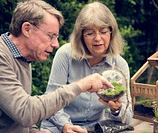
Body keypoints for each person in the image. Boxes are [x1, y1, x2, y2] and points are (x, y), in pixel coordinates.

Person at [0, 0, 114, 133]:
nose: (56, 44)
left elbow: (15, 114)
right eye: (51, 36)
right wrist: (81, 85)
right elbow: (25, 112)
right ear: (27, 29)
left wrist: (34, 131)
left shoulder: (23, 59)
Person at [40, 1, 133, 133]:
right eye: (90, 33)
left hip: (94, 128)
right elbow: (51, 101)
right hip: (58, 126)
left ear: (111, 33)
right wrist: (66, 126)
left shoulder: (119, 64)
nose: (98, 38)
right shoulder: (65, 55)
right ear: (81, 36)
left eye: (103, 31)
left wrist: (116, 109)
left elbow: (127, 117)